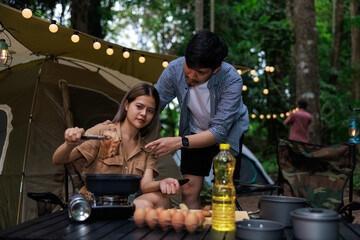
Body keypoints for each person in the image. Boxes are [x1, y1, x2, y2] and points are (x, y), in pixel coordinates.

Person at [145, 29, 250, 209]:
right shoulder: (174, 69)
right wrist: (120, 123)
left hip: (227, 135)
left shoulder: (231, 79)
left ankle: (223, 233)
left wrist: (178, 142)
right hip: (193, 132)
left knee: (223, 189)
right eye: (189, 68)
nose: (192, 76)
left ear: (216, 68)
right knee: (189, 189)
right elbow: (154, 104)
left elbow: (219, 132)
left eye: (200, 72)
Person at [52, 83, 180, 209]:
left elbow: (146, 185)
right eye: (139, 107)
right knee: (144, 205)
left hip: (124, 202)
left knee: (162, 199)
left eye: (150, 111)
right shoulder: (103, 133)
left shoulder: (146, 150)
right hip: (95, 202)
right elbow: (57, 160)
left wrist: (163, 182)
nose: (143, 114)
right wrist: (69, 144)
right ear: (126, 105)